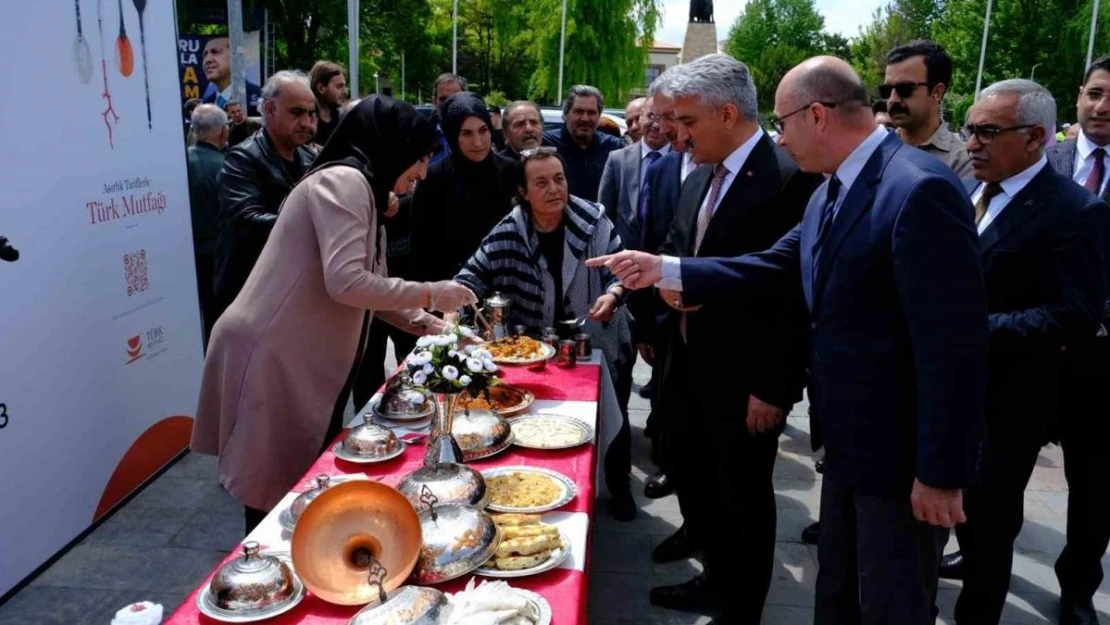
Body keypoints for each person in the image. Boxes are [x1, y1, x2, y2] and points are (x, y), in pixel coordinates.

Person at [589, 57, 988, 625]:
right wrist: (665, 269)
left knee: (892, 602)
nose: (779, 136)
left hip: (899, 459)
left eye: (783, 122)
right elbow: (774, 264)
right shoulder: (834, 188)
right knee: (838, 593)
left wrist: (942, 471)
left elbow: (954, 347)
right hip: (849, 444)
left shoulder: (919, 190)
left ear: (817, 115)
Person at [192, 96, 478, 534]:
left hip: (299, 357)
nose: (422, 173)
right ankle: (264, 579)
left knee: (300, 485)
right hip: (274, 355)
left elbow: (376, 292)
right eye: (419, 159)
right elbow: (346, 283)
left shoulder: (363, 188)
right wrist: (433, 292)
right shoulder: (344, 183)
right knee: (272, 495)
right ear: (393, 147)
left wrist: (439, 330)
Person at [636, 56, 818, 625]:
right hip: (686, 363)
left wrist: (774, 387)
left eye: (686, 121)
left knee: (742, 499)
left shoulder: (791, 176)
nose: (674, 133)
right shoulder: (697, 177)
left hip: (747, 382)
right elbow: (673, 251)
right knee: (698, 482)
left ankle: (741, 609)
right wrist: (666, 294)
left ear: (728, 113)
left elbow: (794, 296)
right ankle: (714, 579)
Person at [951, 79, 1107, 625]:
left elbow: (1076, 314)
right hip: (944, 387)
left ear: (1037, 137)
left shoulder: (1076, 212)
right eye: (970, 128)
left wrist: (976, 329)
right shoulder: (964, 185)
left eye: (988, 132)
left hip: (1009, 401)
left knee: (989, 526)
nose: (972, 142)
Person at [455, 148, 637, 521]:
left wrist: (612, 294)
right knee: (544, 423)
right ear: (523, 191)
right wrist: (451, 310)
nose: (555, 189)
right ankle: (549, 486)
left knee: (613, 418)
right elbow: (470, 277)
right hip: (538, 351)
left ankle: (620, 488)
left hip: (595, 338)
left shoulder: (593, 221)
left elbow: (621, 270)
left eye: (559, 179)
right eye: (541, 182)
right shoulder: (508, 232)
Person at [1046, 54, 1110, 625]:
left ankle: (1078, 587)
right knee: (994, 472)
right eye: (1094, 93)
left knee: (1094, 487)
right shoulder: (1043, 157)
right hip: (1031, 352)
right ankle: (978, 548)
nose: (1103, 106)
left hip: (1102, 363)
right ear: (1078, 96)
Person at [638, 75, 699, 500]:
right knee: (665, 401)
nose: (662, 127)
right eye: (656, 117)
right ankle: (669, 468)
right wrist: (645, 323)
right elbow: (649, 242)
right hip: (662, 316)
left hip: (708, 320)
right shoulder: (660, 170)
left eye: (670, 117)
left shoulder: (719, 169)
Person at [213, 70, 319, 320]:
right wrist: (314, 221)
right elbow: (246, 220)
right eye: (296, 112)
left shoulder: (310, 158)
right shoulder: (242, 158)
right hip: (251, 298)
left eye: (310, 113)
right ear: (270, 110)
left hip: (293, 296)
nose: (306, 122)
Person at [409, 92, 517, 283]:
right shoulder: (434, 178)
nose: (477, 142)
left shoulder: (511, 171)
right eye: (466, 133)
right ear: (452, 135)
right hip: (449, 288)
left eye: (483, 130)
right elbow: (421, 247)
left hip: (506, 285)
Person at [883, 40, 972, 177]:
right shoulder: (877, 149)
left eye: (905, 89)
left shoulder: (963, 161)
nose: (893, 99)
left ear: (937, 92)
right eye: (887, 90)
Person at [186, 104, 228, 349]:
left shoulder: (180, 162)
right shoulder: (228, 166)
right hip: (217, 257)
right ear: (223, 132)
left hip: (188, 256)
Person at [543, 85, 625, 202]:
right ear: (565, 114)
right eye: (578, 112)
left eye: (591, 113)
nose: (585, 119)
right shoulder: (546, 144)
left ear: (599, 116)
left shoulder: (614, 148)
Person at [200, 36, 262, 114]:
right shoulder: (206, 104)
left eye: (215, 52)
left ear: (235, 57)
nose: (207, 59)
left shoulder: (258, 97)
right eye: (204, 55)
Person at [430, 73, 467, 163]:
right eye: (443, 99)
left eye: (455, 98)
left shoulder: (479, 132)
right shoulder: (421, 136)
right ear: (434, 100)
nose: (448, 103)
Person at [309, 61, 348, 146]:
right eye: (339, 86)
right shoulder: (308, 120)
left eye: (344, 86)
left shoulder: (342, 119)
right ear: (321, 88)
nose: (345, 92)